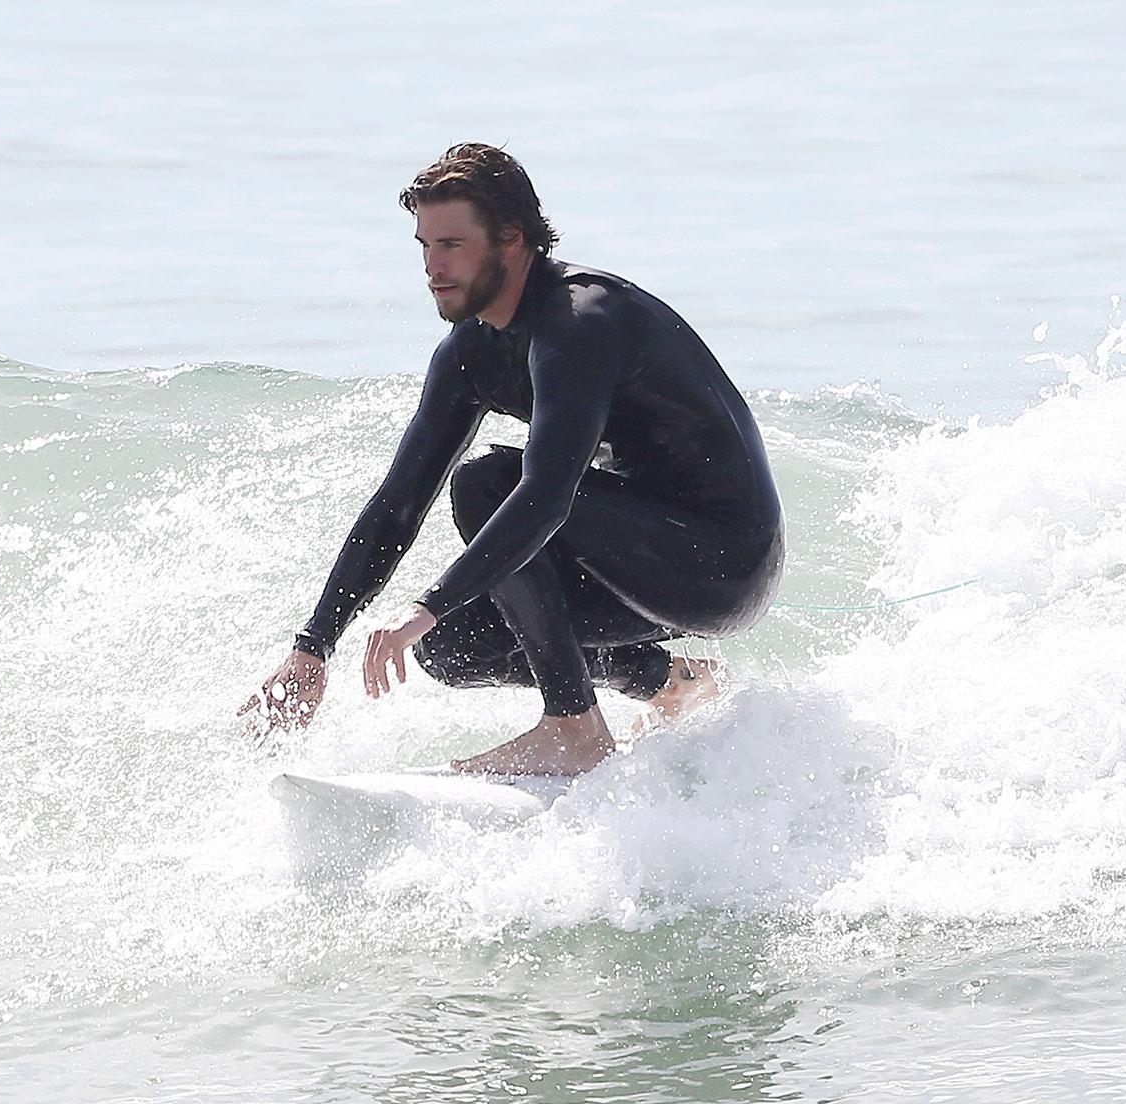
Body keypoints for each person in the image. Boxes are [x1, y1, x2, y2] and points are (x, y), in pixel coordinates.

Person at [240, 143, 784, 776]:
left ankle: (572, 729)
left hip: (720, 560)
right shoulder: (473, 352)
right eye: (423, 245)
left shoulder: (582, 321)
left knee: (486, 481)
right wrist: (315, 645)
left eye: (452, 245)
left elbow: (545, 497)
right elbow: (398, 506)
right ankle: (671, 681)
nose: (432, 267)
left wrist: (422, 605)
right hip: (635, 558)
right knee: (453, 647)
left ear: (511, 239)